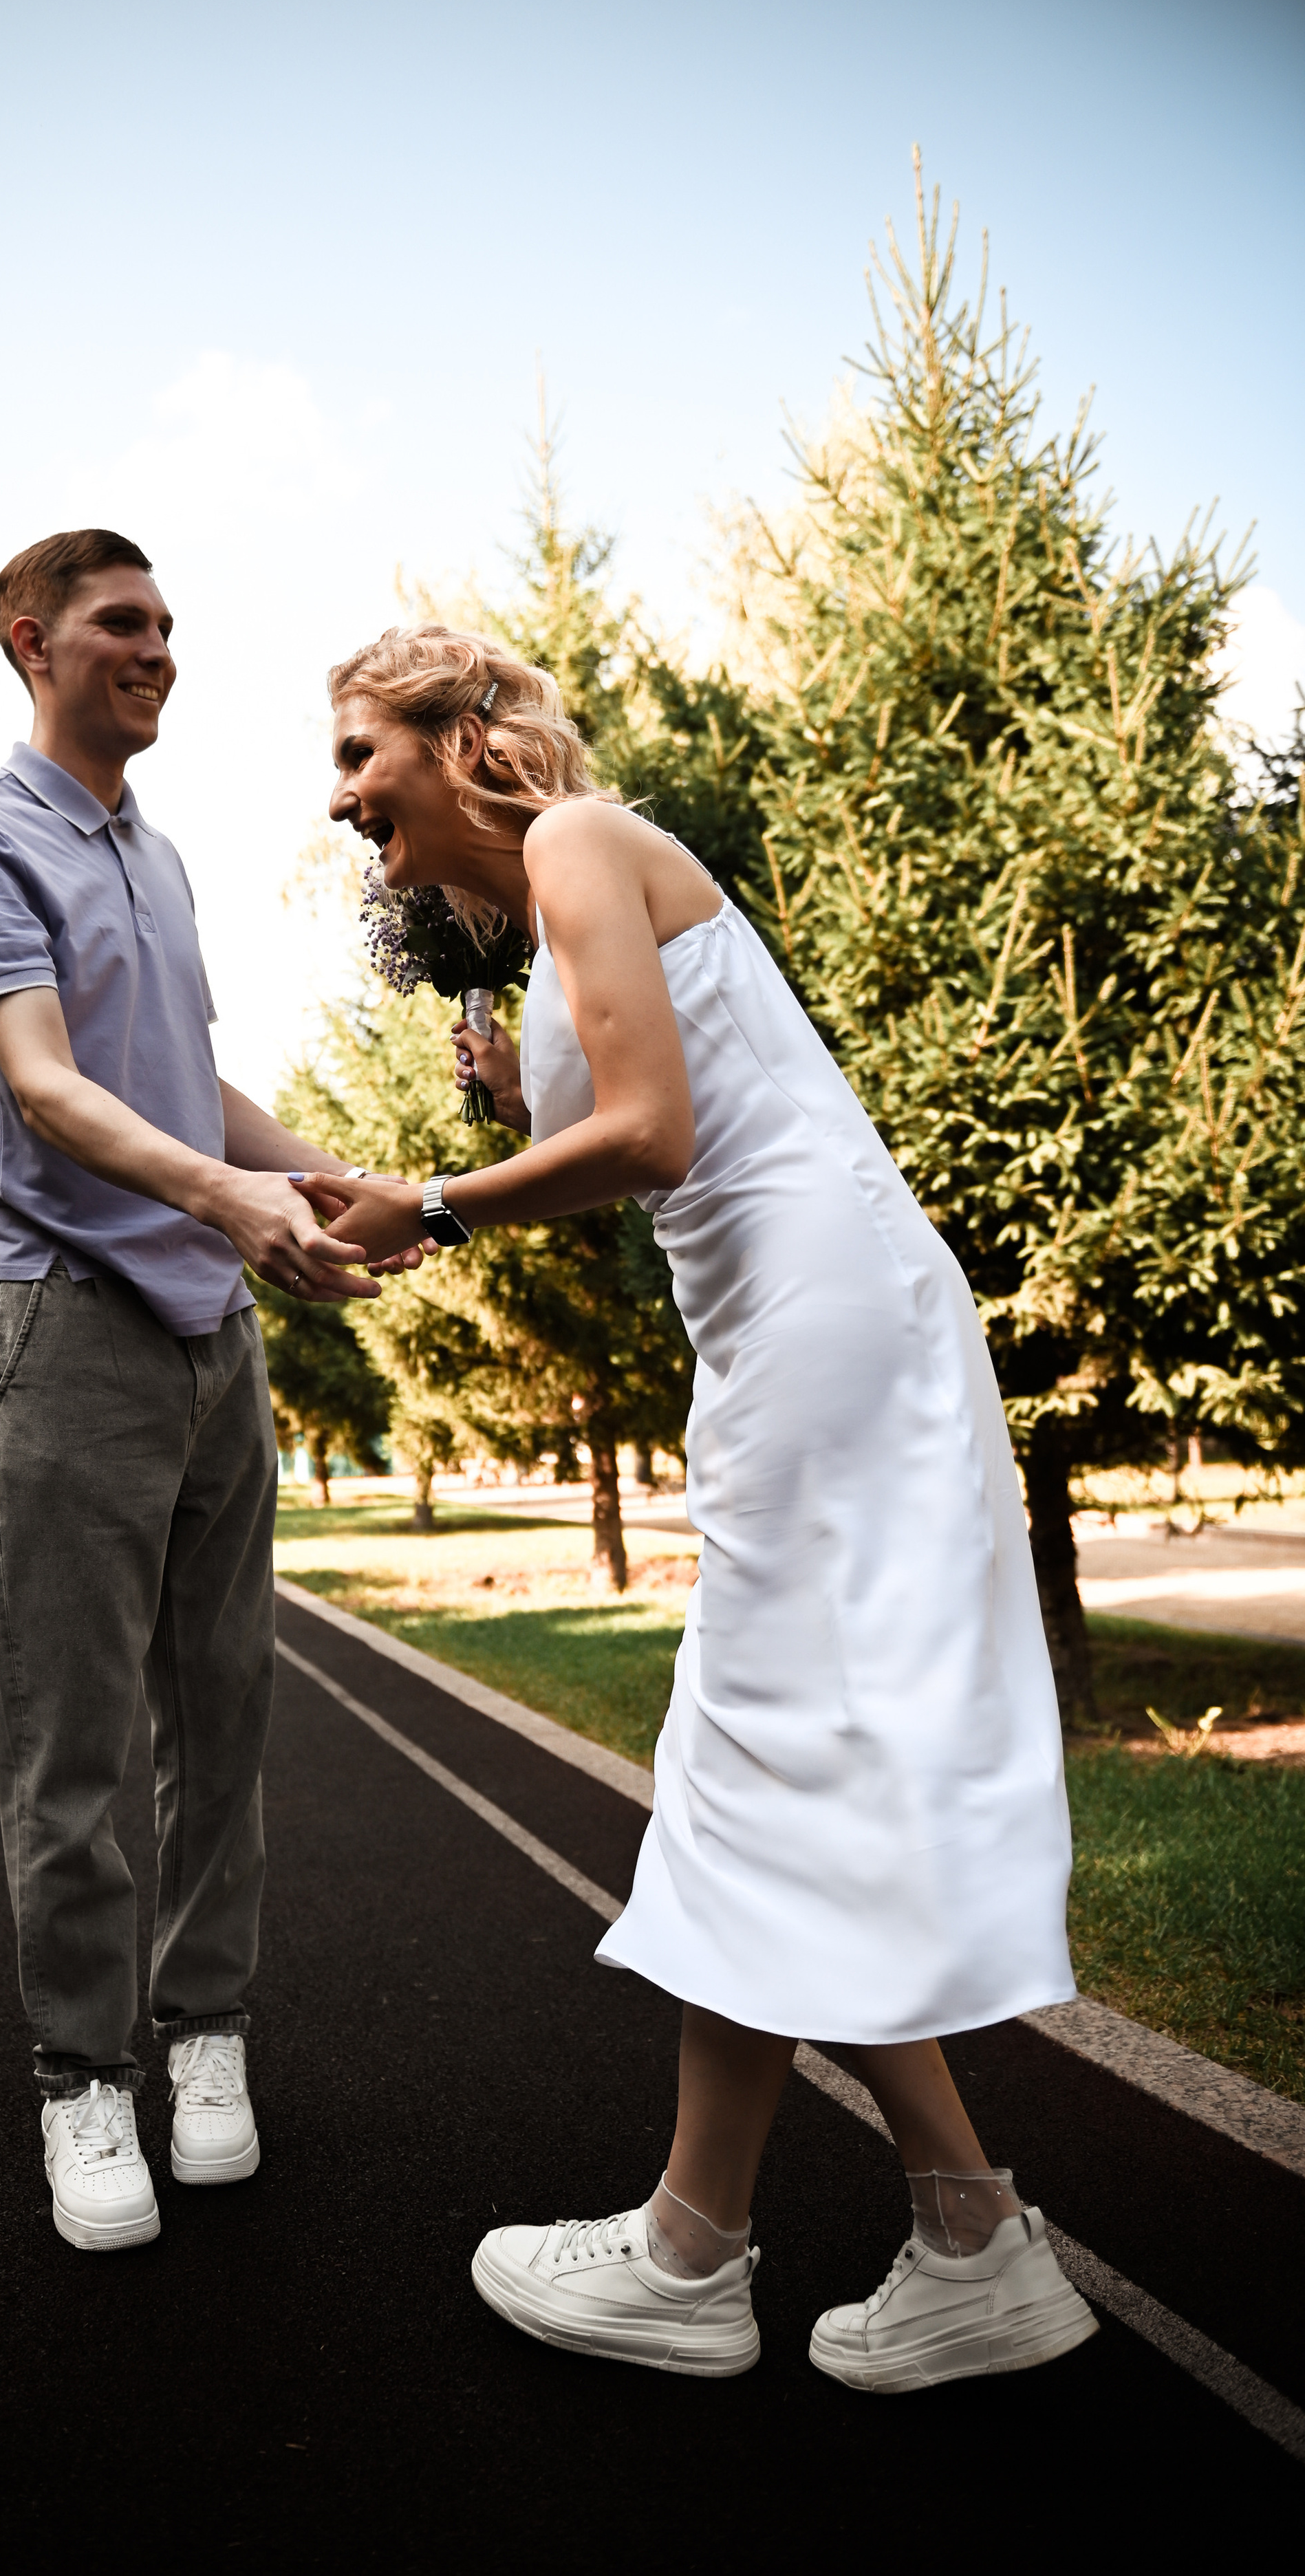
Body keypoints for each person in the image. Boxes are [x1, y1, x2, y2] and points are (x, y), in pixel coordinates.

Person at [310, 623, 1097, 2390]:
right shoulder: (555, 904)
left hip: (823, 1328)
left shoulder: (581, 836)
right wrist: (521, 1105)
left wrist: (434, 1198)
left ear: (461, 739)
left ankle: (693, 2251)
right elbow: (660, 1124)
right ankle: (963, 2232)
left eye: (361, 751)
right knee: (780, 1764)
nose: (341, 793)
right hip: (796, 1327)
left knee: (754, 1755)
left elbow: (659, 1135)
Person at [0, 530, 409, 2254]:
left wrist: (332, 1183)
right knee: (75, 1735)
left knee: (226, 1711)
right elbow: (44, 1089)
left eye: (168, 626)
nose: (159, 651)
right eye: (124, 624)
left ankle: (204, 2043)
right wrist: (230, 1203)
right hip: (66, 1323)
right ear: (28, 637)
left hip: (216, 1333)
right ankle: (79, 2077)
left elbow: (184, 1083)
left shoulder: (162, 855)